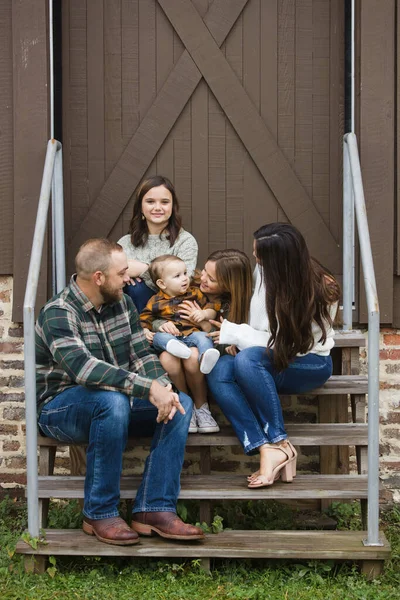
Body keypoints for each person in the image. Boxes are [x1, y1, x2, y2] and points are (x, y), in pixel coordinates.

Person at [35, 238, 204, 546]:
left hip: (116, 402)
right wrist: (146, 387)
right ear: (99, 277)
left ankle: (154, 509)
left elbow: (140, 354)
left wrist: (164, 387)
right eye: (122, 273)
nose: (129, 279)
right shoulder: (58, 313)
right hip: (60, 409)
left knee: (182, 403)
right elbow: (84, 370)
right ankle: (99, 512)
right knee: (111, 402)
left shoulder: (123, 303)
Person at [206, 223, 340, 489]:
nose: (255, 258)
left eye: (259, 254)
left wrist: (241, 337)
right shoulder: (265, 271)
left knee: (247, 360)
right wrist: (242, 339)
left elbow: (293, 347)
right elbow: (259, 327)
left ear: (280, 259)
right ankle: (266, 448)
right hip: (265, 356)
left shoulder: (322, 289)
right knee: (220, 371)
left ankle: (279, 441)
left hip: (309, 362)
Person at [156, 249, 253, 433]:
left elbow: (232, 348)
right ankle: (186, 405)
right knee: (168, 359)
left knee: (193, 356)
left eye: (211, 279)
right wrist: (161, 324)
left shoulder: (234, 307)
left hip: (203, 352)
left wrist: (206, 326)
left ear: (229, 285)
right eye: (204, 272)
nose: (203, 279)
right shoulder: (185, 287)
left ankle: (201, 408)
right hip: (176, 341)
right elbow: (157, 309)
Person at [140, 255, 221, 433]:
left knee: (201, 339)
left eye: (185, 273)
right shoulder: (155, 302)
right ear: (162, 284)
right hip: (171, 339)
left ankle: (202, 406)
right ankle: (187, 406)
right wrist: (146, 330)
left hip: (192, 335)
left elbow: (212, 308)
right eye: (177, 276)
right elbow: (144, 320)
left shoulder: (195, 293)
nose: (185, 278)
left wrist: (204, 315)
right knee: (160, 339)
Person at [118, 175, 198, 313]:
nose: (157, 207)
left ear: (173, 206)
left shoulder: (185, 241)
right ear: (140, 207)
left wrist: (144, 270)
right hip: (129, 315)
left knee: (137, 287)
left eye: (164, 202)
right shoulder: (125, 243)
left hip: (170, 314)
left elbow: (183, 286)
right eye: (150, 201)